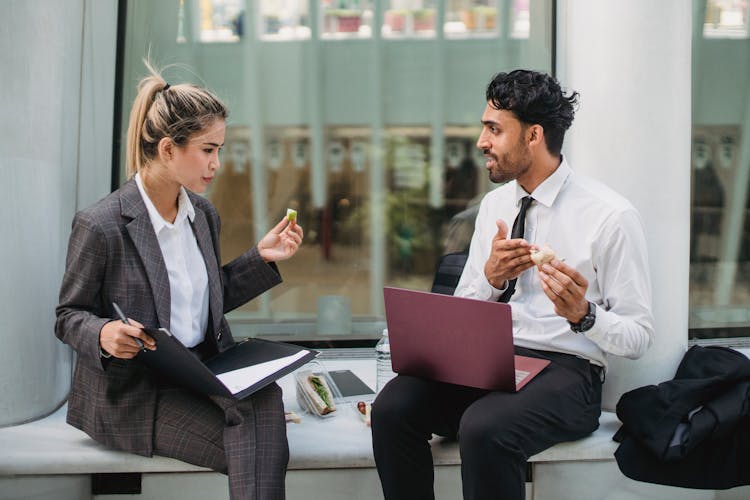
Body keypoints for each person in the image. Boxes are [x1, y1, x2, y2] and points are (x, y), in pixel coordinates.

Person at [371, 69, 655, 500]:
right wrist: (490, 278)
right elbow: (465, 307)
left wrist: (584, 315)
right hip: (490, 361)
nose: (481, 142)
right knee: (392, 408)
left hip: (567, 373)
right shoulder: (495, 205)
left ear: (533, 135)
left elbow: (638, 337)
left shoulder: (610, 217)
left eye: (494, 129)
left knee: (484, 427)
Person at [55, 61, 304, 500]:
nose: (218, 164)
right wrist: (104, 333)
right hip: (138, 392)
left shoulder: (202, 215)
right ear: (168, 149)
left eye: (220, 150)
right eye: (208, 150)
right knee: (260, 446)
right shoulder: (101, 224)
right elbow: (68, 315)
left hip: (203, 372)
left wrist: (260, 258)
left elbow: (203, 299)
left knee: (264, 403)